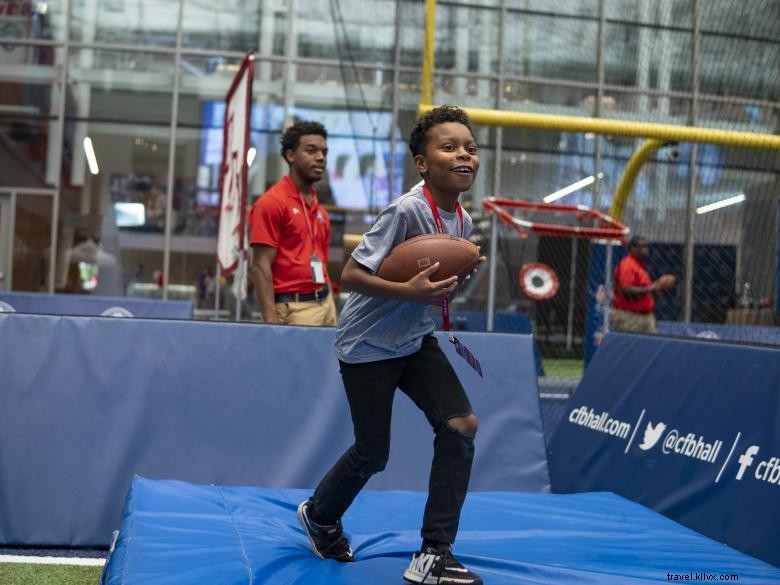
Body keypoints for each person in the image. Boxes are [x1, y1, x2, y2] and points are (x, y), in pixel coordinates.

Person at [296, 106, 484, 585]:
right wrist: (410, 292)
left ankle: (433, 554)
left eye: (470, 147)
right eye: (449, 146)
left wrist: (455, 277)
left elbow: (435, 285)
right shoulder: (406, 210)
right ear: (422, 163)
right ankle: (319, 516)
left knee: (461, 425)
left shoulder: (462, 221)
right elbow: (350, 275)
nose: (463, 154)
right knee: (373, 452)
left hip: (414, 339)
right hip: (368, 345)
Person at [248, 120, 337, 326]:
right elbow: (260, 267)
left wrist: (331, 306)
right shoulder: (271, 203)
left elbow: (321, 263)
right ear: (291, 156)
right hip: (293, 309)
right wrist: (270, 324)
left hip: (325, 303)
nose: (321, 157)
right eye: (311, 150)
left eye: (324, 151)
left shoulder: (320, 210)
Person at [610, 235, 674, 333]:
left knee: (653, 346)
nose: (646, 249)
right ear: (633, 248)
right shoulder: (628, 264)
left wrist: (659, 288)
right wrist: (651, 288)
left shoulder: (639, 265)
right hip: (630, 317)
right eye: (642, 246)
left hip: (645, 317)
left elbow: (646, 292)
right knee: (631, 347)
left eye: (647, 246)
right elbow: (625, 290)